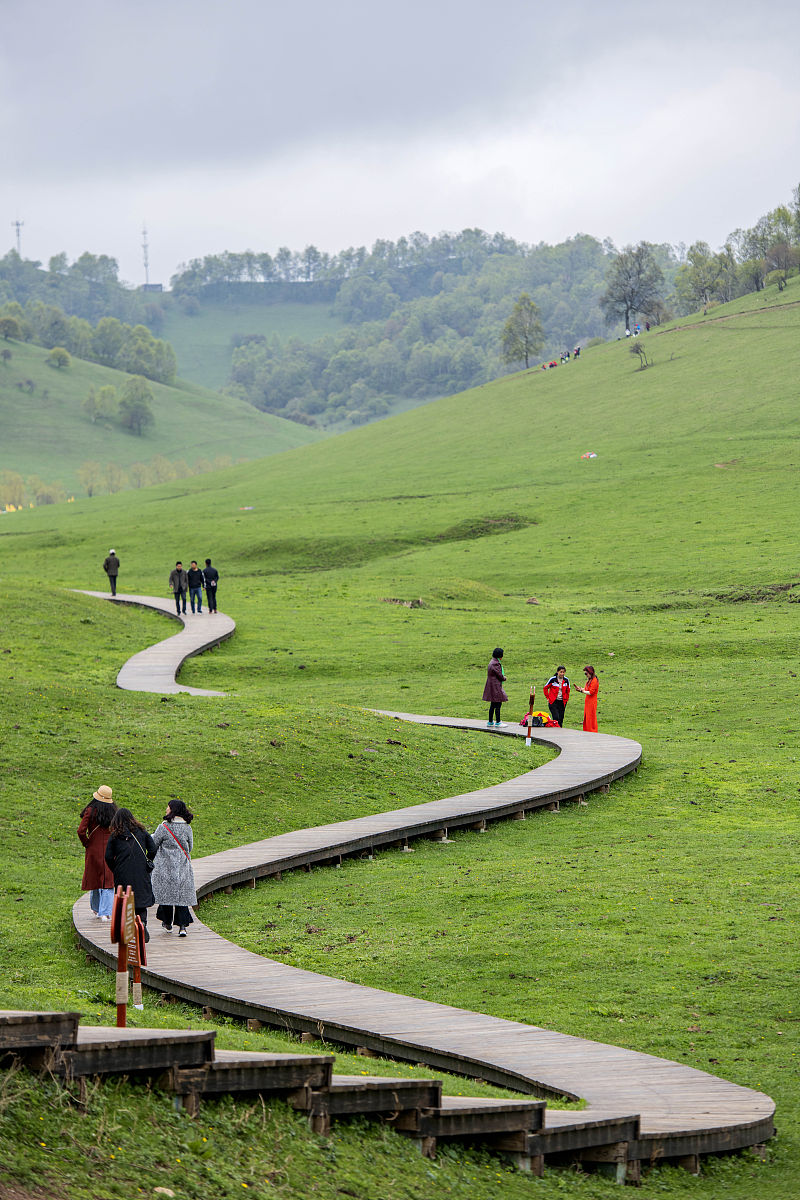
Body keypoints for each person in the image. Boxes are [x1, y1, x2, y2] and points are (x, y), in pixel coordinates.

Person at [105, 807, 156, 941]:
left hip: (122, 873)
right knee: (140, 901)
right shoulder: (142, 832)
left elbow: (108, 856)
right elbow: (153, 848)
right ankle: (142, 923)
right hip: (141, 872)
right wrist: (147, 860)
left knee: (125, 901)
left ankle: (126, 930)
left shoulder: (115, 836)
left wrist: (115, 869)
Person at [152, 800, 197, 937]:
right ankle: (182, 927)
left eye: (168, 807)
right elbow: (190, 847)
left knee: (166, 895)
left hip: (165, 867)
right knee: (181, 896)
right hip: (182, 866)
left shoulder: (163, 827)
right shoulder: (187, 828)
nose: (166, 809)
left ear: (173, 810)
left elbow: (154, 843)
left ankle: (167, 923)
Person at [78, 784, 118, 921]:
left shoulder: (90, 810)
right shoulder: (114, 811)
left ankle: (96, 908)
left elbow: (81, 830)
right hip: (110, 847)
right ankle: (105, 912)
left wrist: (87, 842)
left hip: (93, 848)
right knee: (108, 879)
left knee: (95, 877)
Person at [482, 647, 508, 727]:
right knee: (498, 704)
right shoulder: (496, 664)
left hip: (491, 686)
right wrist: (504, 678)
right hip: (495, 686)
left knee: (493, 704)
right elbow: (500, 675)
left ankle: (490, 721)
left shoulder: (492, 661)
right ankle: (498, 722)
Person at [577, 665, 599, 732]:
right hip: (588, 701)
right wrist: (580, 689)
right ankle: (587, 730)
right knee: (587, 716)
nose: (586, 675)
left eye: (586, 673)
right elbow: (587, 689)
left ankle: (592, 730)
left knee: (591, 716)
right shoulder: (590, 680)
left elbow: (591, 692)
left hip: (592, 702)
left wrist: (582, 691)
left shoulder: (594, 680)